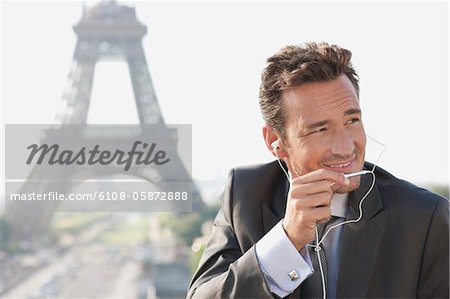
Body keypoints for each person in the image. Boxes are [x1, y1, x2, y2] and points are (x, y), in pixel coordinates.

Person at [187, 42, 449, 298]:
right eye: (320, 129)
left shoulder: (423, 218)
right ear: (275, 142)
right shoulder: (245, 195)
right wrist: (285, 242)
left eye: (352, 120)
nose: (345, 147)